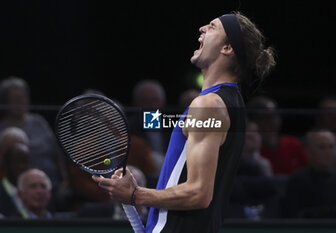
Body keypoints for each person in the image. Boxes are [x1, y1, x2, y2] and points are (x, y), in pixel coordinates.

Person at [93, 11, 275, 233]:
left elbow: (199, 193)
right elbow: (172, 123)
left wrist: (135, 195)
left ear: (227, 48)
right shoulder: (228, 103)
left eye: (212, 26)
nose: (202, 29)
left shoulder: (208, 106)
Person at [0, 76, 69, 191]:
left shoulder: (38, 122)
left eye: (23, 97)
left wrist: (65, 181)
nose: (20, 102)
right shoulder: (2, 128)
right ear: (5, 101)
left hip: (51, 184)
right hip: (17, 190)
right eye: (15, 98)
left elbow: (57, 155)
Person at [281, 130, 336, 218]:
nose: (328, 152)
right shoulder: (298, 181)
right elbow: (290, 216)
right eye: (322, 147)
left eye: (331, 147)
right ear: (309, 152)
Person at [247, 96, 309, 175]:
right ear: (254, 122)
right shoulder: (252, 152)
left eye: (274, 115)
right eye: (264, 117)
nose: (272, 121)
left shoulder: (294, 144)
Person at [0, 143, 30, 217]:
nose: (21, 166)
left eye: (25, 161)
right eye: (17, 162)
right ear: (6, 165)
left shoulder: (40, 191)